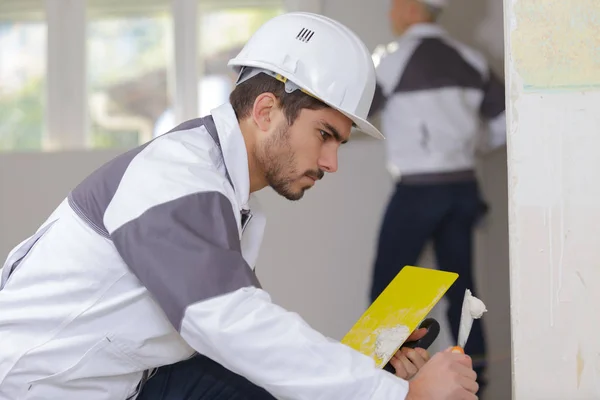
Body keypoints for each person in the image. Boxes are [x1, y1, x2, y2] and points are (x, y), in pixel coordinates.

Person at [0, 12, 479, 400]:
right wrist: (399, 397)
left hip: (124, 381)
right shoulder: (177, 178)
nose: (332, 162)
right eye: (324, 135)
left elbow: (252, 337)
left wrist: (367, 370)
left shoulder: (220, 186)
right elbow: (236, 328)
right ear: (266, 111)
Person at [368, 0, 507, 396]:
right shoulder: (471, 59)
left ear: (412, 8)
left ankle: (381, 384)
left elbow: (356, 114)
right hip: (463, 188)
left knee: (388, 294)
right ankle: (475, 387)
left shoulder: (394, 60)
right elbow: (502, 125)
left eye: (394, 5)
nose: (390, 13)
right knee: (464, 295)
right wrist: (465, 144)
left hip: (417, 190)